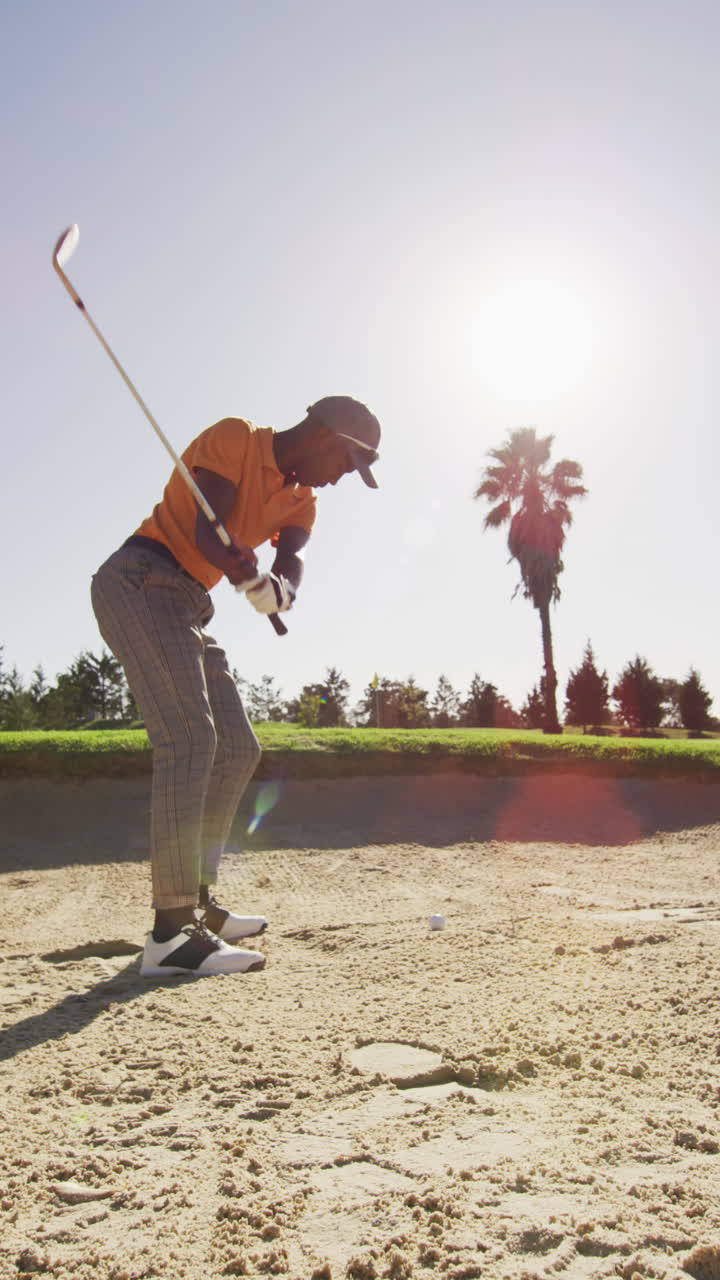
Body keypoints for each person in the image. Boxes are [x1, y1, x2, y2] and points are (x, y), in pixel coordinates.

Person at [91, 395, 380, 978]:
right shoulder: (235, 437)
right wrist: (243, 571)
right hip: (140, 579)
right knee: (190, 740)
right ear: (325, 436)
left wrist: (281, 587)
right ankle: (170, 935)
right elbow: (208, 533)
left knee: (239, 747)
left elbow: (292, 556)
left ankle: (197, 902)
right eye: (348, 464)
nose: (343, 478)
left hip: (189, 604)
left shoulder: (304, 501)